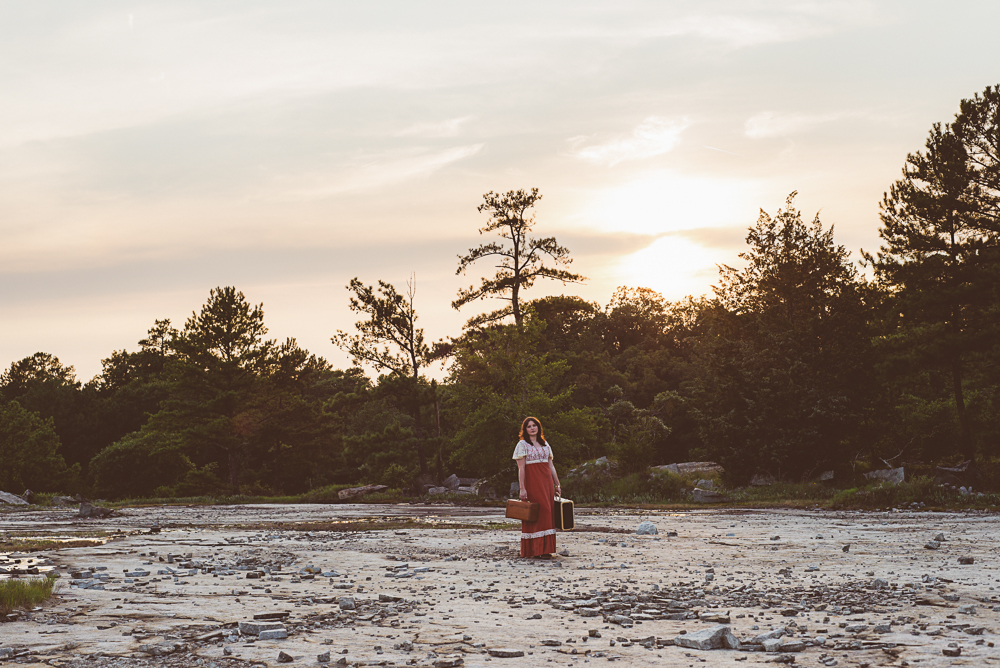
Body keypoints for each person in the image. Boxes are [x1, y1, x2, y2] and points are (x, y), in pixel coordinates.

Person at [512, 416, 561, 558]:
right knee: (536, 513)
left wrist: (557, 484)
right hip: (532, 483)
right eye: (529, 426)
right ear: (525, 429)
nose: (532, 428)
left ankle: (545, 550)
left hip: (546, 483)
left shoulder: (545, 443)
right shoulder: (522, 445)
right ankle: (535, 550)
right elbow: (521, 469)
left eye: (534, 425)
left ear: (538, 427)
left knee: (548, 512)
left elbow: (551, 465)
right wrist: (522, 488)